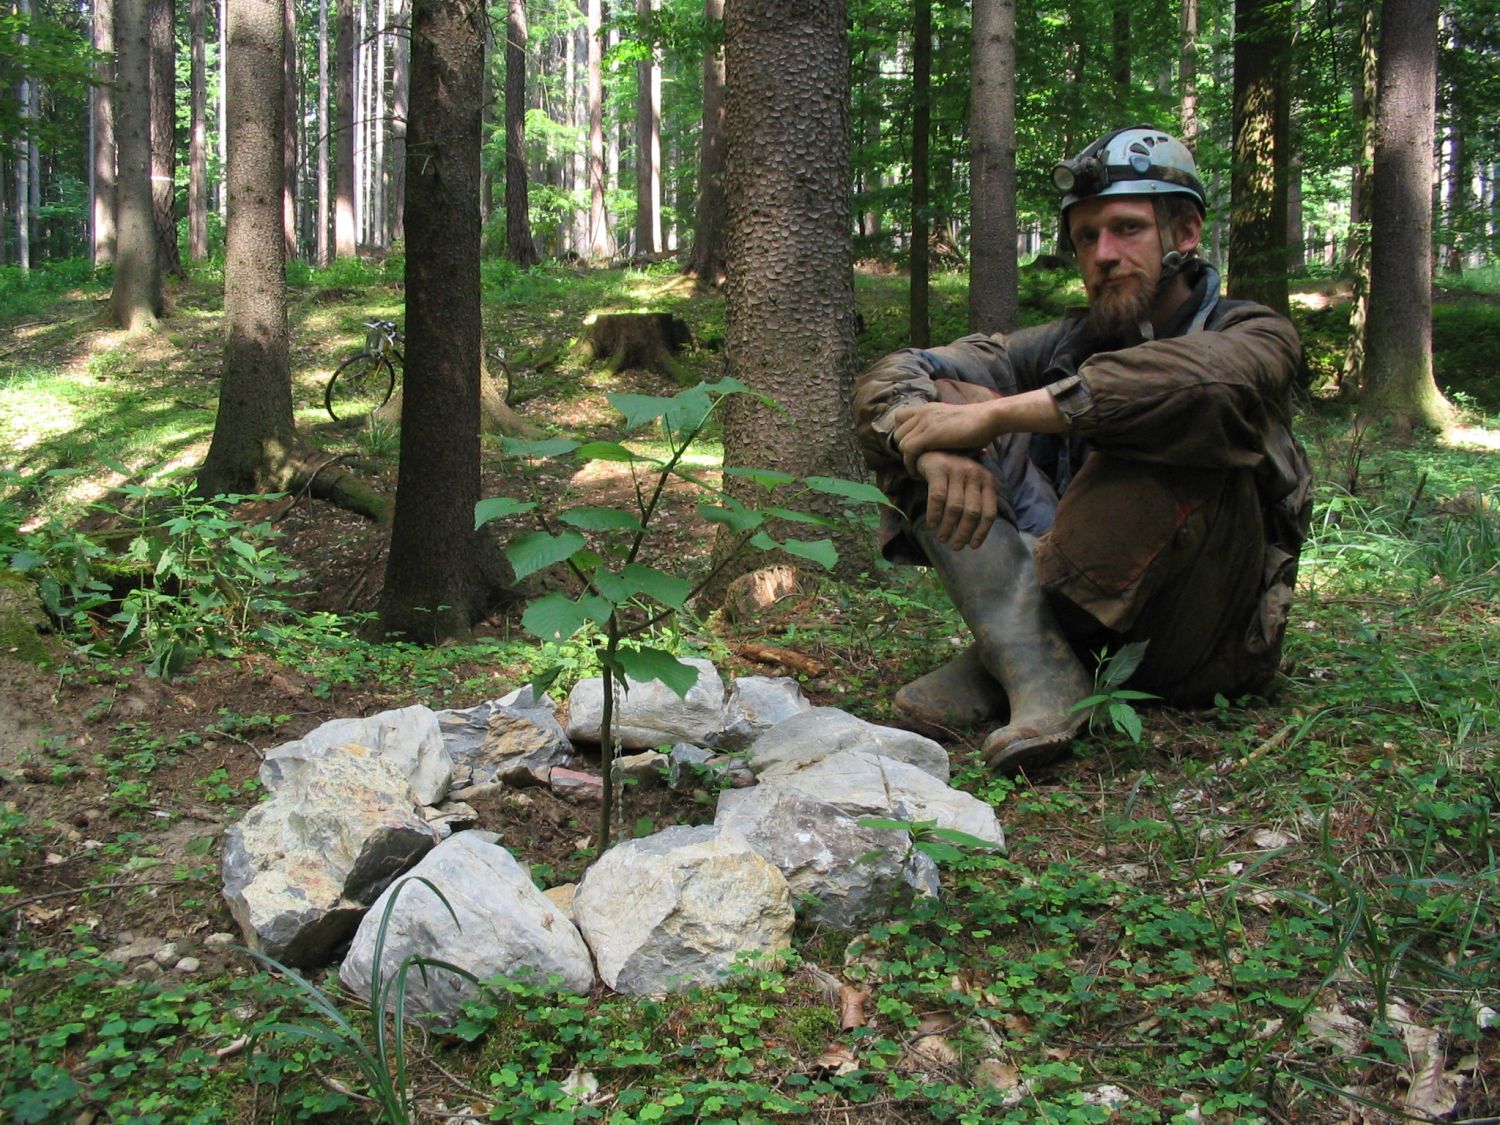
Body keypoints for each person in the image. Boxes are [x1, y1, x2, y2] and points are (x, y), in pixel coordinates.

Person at [852, 124, 1312, 776]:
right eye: (1086, 237)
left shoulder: (1254, 331)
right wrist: (936, 447)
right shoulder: (1069, 340)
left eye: (1127, 229)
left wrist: (996, 416)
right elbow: (897, 373)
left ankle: (1013, 657)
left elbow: (1207, 384)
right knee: (936, 404)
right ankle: (1035, 662)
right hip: (1075, 593)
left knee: (1156, 417)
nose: (1103, 253)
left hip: (1203, 640)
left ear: (1184, 234)